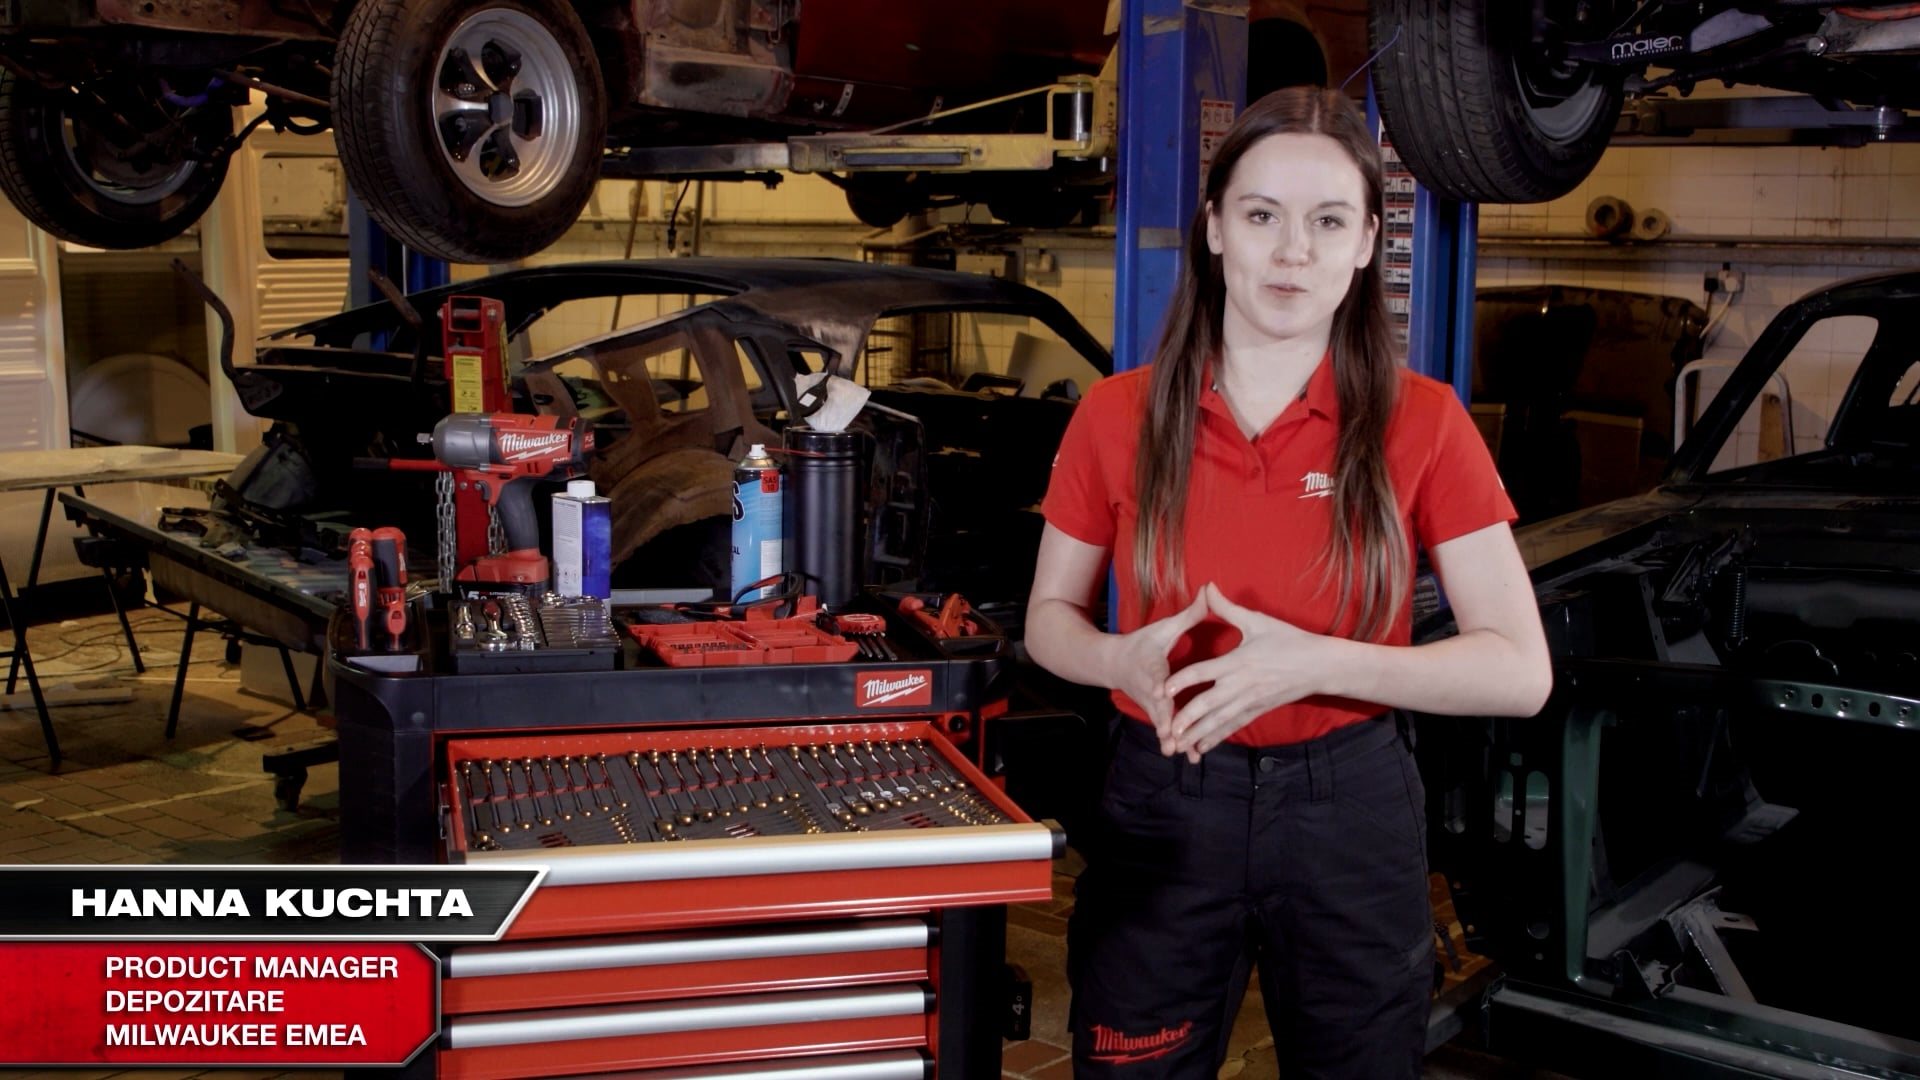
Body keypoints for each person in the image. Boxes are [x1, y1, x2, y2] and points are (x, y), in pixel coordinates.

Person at [1026, 85, 1553, 1079]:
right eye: (1263, 215)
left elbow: (1519, 671)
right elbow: (1048, 619)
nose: (1292, 251)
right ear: (1215, 227)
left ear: (1366, 245)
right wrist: (1118, 661)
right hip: (1164, 799)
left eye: (1328, 221)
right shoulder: (1116, 415)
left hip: (1347, 809)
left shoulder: (1425, 422)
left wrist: (1311, 664)